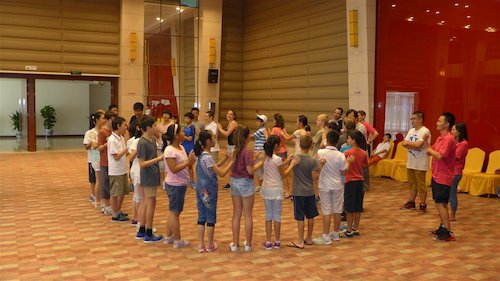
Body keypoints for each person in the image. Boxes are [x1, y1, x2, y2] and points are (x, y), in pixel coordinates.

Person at [193, 130, 234, 253]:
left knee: (201, 216)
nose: (215, 139)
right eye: (213, 137)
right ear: (208, 141)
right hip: (209, 191)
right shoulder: (208, 157)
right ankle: (210, 244)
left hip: (200, 190)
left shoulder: (201, 155)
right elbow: (221, 173)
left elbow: (214, 167)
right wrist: (231, 162)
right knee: (210, 216)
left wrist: (225, 159)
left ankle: (201, 244)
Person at [260, 135, 300, 250]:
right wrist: (291, 164)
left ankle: (268, 241)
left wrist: (286, 161)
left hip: (267, 189)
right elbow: (283, 174)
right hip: (276, 189)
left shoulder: (265, 156)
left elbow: (276, 165)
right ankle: (277, 241)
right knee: (277, 215)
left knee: (268, 215)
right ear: (276, 145)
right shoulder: (277, 159)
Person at [228, 125, 264, 252]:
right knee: (248, 214)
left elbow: (242, 164)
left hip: (234, 182)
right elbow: (249, 170)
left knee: (236, 213)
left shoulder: (235, 150)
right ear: (247, 136)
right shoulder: (247, 151)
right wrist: (261, 161)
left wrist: (255, 158)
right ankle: (248, 244)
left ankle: (235, 244)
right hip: (246, 183)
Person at [163, 124, 196, 248]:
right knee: (174, 212)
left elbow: (186, 164)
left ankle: (169, 237)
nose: (184, 133)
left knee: (173, 211)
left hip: (181, 184)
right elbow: (174, 169)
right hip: (174, 184)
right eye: (181, 131)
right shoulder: (169, 150)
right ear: (176, 136)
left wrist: (191, 160)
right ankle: (177, 240)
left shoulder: (181, 147)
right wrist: (188, 161)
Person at [426, 112, 457, 241]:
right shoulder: (439, 138)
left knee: (441, 204)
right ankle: (442, 226)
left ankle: (448, 233)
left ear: (447, 124)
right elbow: (431, 151)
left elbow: (440, 155)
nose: (437, 123)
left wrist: (430, 150)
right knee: (439, 203)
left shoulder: (449, 139)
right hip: (436, 174)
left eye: (440, 121)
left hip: (444, 176)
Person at [313, 130, 346, 244]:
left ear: (327, 140)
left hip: (324, 185)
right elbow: (343, 172)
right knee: (337, 209)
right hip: (337, 184)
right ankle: (336, 233)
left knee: (326, 210)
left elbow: (316, 166)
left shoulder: (320, 152)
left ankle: (325, 236)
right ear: (337, 142)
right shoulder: (341, 155)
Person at [287, 135, 320, 249]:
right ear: (311, 146)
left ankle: (300, 240)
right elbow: (314, 178)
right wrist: (320, 166)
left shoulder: (294, 159)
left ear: (300, 144)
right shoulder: (312, 161)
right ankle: (309, 238)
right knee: (310, 216)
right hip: (309, 191)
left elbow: (290, 174)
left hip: (298, 191)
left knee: (300, 217)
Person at [136, 116, 164, 243]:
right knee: (150, 203)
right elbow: (142, 163)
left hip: (153, 174)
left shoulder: (152, 139)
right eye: (154, 126)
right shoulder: (142, 142)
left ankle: (142, 230)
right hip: (148, 175)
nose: (156, 128)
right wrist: (158, 159)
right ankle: (148, 231)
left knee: (148, 202)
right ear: (147, 128)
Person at [400, 111, 431, 213]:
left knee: (421, 184)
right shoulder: (411, 131)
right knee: (412, 183)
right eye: (411, 119)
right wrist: (411, 144)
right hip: (411, 161)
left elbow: (419, 145)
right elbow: (404, 143)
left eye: (414, 118)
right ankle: (411, 202)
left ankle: (422, 204)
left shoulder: (425, 131)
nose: (411, 121)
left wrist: (409, 144)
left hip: (421, 162)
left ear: (420, 120)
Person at [341, 130, 368, 238]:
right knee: (357, 206)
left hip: (350, 181)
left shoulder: (347, 153)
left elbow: (343, 167)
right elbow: (366, 166)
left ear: (353, 140)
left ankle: (348, 230)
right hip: (360, 181)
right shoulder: (363, 152)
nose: (347, 140)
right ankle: (356, 228)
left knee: (349, 207)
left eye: (349, 138)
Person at [107, 116, 130, 222]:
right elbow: (116, 156)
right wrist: (126, 149)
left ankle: (118, 210)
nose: (126, 127)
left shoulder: (121, 138)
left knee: (121, 192)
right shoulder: (112, 140)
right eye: (124, 125)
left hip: (122, 169)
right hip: (115, 170)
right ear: (118, 126)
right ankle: (115, 214)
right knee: (115, 192)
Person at [98, 111, 117, 216]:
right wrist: (107, 143)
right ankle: (106, 205)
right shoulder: (102, 132)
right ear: (107, 120)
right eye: (112, 120)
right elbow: (99, 148)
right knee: (105, 183)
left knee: (113, 184)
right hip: (105, 161)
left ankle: (112, 205)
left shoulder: (115, 132)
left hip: (114, 162)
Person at [449, 123, 468, 221]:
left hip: (456, 172)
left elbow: (457, 156)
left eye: (453, 130)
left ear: (459, 132)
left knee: (452, 193)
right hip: (450, 171)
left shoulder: (463, 143)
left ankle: (453, 214)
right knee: (448, 192)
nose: (451, 132)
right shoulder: (454, 142)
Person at [217, 110, 238, 189]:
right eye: (228, 113)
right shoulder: (230, 123)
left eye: (231, 114)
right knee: (230, 164)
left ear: (234, 116)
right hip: (230, 146)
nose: (228, 115)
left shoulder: (233, 123)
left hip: (234, 146)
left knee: (232, 165)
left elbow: (227, 134)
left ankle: (232, 182)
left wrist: (220, 128)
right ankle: (230, 182)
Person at [90, 111, 106, 210]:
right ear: (97, 120)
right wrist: (103, 143)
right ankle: (97, 201)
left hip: (104, 158)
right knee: (99, 180)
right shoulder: (91, 132)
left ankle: (103, 200)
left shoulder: (105, 131)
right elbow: (95, 146)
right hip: (97, 158)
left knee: (104, 180)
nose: (104, 120)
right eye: (102, 118)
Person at [127, 121, 142, 226]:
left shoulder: (150, 140)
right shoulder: (136, 141)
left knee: (138, 196)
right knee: (138, 196)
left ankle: (136, 217)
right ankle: (137, 219)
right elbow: (130, 157)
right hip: (137, 170)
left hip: (140, 170)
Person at [83, 113, 99, 206]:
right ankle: (93, 194)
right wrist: (92, 142)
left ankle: (98, 194)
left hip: (101, 158)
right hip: (92, 158)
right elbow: (86, 146)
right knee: (93, 178)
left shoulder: (103, 131)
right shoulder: (89, 133)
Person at [251, 114, 269, 192]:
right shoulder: (260, 129)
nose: (257, 122)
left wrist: (264, 149)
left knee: (259, 168)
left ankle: (260, 185)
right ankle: (259, 185)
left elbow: (267, 138)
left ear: (262, 122)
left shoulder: (263, 129)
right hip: (258, 151)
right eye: (257, 121)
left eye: (259, 121)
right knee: (259, 169)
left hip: (260, 152)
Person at [182, 112, 196, 189]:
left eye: (187, 118)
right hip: (183, 147)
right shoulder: (183, 127)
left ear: (191, 120)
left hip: (190, 147)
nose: (185, 119)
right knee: (183, 165)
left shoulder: (192, 127)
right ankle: (185, 180)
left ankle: (192, 181)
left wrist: (183, 136)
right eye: (185, 118)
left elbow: (190, 138)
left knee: (190, 166)